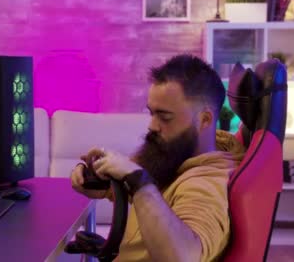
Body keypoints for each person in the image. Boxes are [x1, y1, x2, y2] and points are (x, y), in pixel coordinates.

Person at [71, 54, 245, 262]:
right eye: (151, 113)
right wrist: (99, 179)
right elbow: (148, 194)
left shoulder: (206, 181)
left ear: (204, 119)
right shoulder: (176, 154)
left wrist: (139, 181)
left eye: (164, 117)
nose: (152, 125)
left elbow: (183, 257)